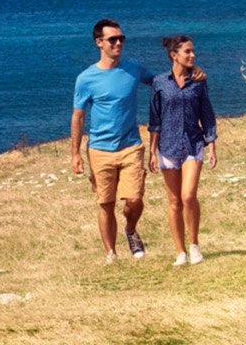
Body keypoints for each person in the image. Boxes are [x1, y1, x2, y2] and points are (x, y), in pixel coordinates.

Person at [69, 18, 156, 264]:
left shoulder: (133, 68)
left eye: (121, 39)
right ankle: (111, 253)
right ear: (99, 43)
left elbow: (159, 82)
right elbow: (78, 116)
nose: (119, 43)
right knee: (105, 203)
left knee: (135, 199)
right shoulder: (86, 78)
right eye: (113, 39)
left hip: (131, 146)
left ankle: (130, 229)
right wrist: (75, 154)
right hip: (99, 149)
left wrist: (188, 72)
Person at [146, 34, 218, 267]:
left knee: (188, 195)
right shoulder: (159, 82)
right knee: (174, 201)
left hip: (193, 143)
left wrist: (212, 143)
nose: (193, 55)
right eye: (187, 52)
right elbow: (155, 119)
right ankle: (180, 251)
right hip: (167, 145)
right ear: (173, 55)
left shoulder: (198, 81)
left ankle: (194, 244)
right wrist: (152, 151)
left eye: (193, 51)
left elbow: (206, 112)